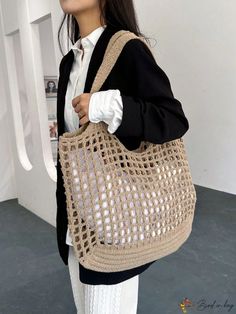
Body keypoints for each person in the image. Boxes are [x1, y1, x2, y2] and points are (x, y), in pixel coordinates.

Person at [56, 0, 190, 313]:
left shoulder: (127, 49)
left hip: (117, 220)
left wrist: (107, 106)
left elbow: (172, 119)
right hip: (77, 224)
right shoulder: (69, 62)